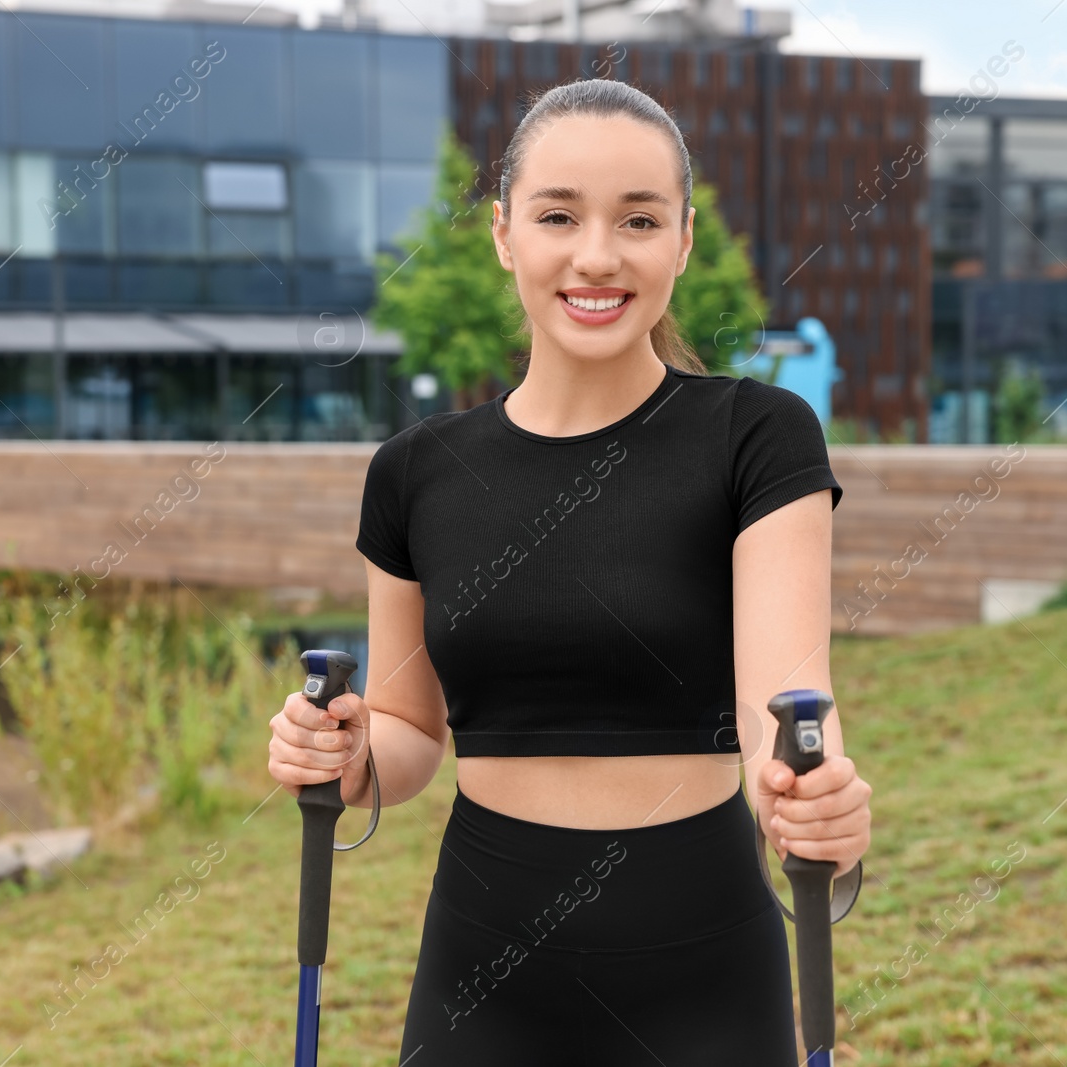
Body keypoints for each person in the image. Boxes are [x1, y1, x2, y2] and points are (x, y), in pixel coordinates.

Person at [268, 77, 873, 1066]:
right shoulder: (415, 472)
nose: (597, 255)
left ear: (681, 240)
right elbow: (412, 731)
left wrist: (817, 808)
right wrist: (344, 752)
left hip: (707, 968)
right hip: (483, 972)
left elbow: (789, 705)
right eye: (559, 215)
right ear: (505, 233)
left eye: (638, 219)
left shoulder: (755, 438)